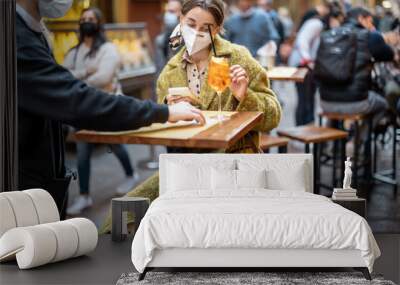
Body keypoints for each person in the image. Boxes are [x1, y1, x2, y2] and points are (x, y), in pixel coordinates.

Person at [100, 0, 282, 233]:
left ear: (216, 29)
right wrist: (168, 112)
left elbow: (274, 116)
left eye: (206, 27)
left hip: (233, 165)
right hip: (186, 168)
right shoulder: (170, 73)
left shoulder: (237, 58)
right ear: (180, 22)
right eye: (191, 24)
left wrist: (244, 96)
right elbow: (164, 132)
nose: (197, 32)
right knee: (118, 217)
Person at [16, 0, 205, 219]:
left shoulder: (34, 32)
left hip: (44, 176)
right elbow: (76, 97)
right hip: (26, 189)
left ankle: (122, 177)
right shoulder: (18, 37)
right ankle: (86, 193)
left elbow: (81, 81)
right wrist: (164, 112)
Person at [62, 8, 137, 215]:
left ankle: (131, 175)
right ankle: (84, 195)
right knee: (82, 151)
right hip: (83, 109)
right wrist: (86, 72)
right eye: (83, 19)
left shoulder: (108, 49)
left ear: (99, 23)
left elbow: (104, 78)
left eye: (91, 19)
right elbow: (64, 75)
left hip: (106, 106)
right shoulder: (74, 52)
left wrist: (77, 82)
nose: (87, 22)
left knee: (115, 143)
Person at [319, 7, 394, 120]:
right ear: (361, 19)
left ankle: (336, 133)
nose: (372, 26)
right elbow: (389, 55)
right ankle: (361, 137)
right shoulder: (370, 36)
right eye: (370, 22)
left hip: (325, 101)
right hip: (356, 103)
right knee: (384, 105)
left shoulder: (328, 34)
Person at [288, 3, 335, 125]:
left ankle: (303, 129)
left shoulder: (315, 22)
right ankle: (303, 131)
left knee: (305, 99)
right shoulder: (317, 23)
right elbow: (302, 40)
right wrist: (308, 60)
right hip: (303, 66)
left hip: (303, 65)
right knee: (305, 99)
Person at [154, 0, 183, 74]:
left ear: (181, 14)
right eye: (167, 11)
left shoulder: (187, 38)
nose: (167, 15)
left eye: (172, 11)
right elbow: (159, 69)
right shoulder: (161, 38)